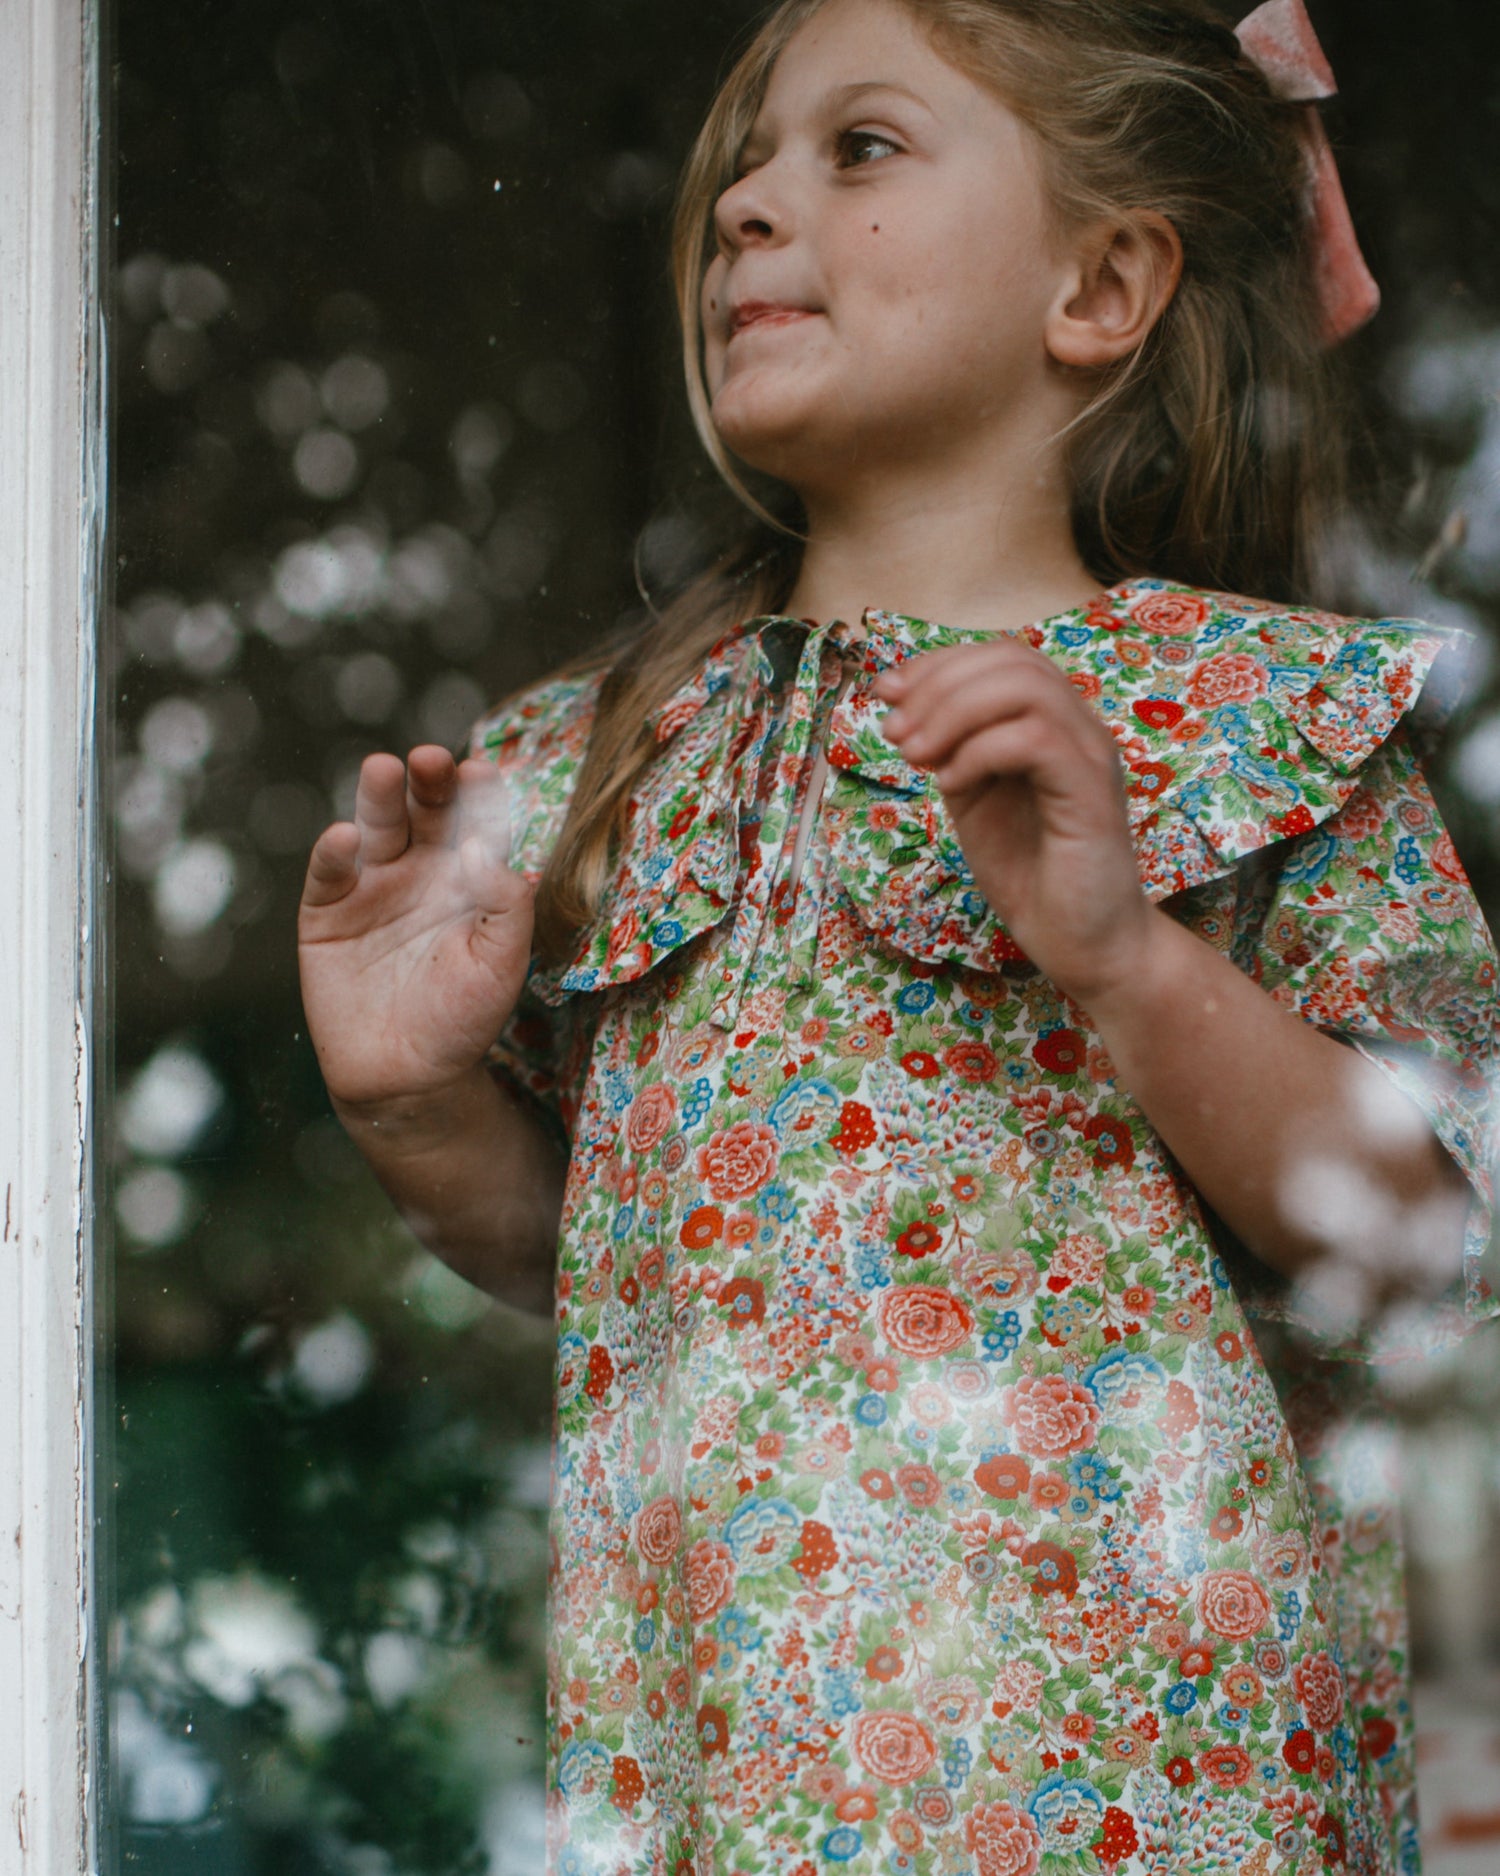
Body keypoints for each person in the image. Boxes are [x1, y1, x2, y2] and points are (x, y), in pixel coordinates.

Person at [298, 0, 1500, 1868]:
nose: (751, 207)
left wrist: (1123, 954)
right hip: (739, 1796)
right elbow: (597, 1257)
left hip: (1166, 1814)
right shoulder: (601, 765)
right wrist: (412, 1107)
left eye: (858, 149)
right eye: (745, 165)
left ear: (1102, 283)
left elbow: (1437, 1245)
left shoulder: (1243, 724)